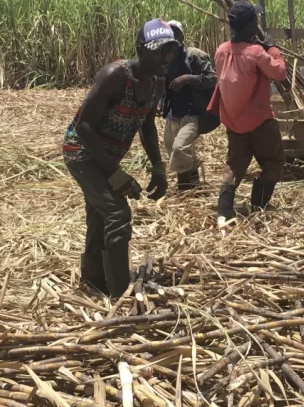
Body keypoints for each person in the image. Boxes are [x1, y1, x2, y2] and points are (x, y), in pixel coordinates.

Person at [62, 19, 178, 298]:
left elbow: (147, 124)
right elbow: (83, 126)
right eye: (159, 50)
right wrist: (114, 173)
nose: (165, 57)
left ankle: (93, 282)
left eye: (170, 51)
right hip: (81, 152)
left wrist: (158, 167)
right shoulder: (115, 75)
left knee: (100, 216)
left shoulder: (157, 83)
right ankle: (118, 292)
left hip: (106, 157)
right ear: (140, 50)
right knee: (117, 213)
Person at [208, 1, 287, 225]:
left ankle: (224, 210)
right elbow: (279, 72)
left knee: (234, 165)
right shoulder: (256, 53)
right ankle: (258, 204)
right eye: (256, 21)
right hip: (260, 121)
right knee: (274, 162)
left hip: (233, 122)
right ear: (252, 25)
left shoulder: (221, 51)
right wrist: (272, 48)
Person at [160, 20, 218, 191]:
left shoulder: (194, 55)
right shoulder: (164, 59)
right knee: (172, 147)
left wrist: (188, 78)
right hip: (173, 113)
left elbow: (212, 78)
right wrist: (160, 102)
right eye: (169, 34)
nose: (173, 37)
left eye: (176, 33)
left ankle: (184, 188)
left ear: (181, 36)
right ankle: (195, 188)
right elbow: (162, 83)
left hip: (193, 113)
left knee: (180, 148)